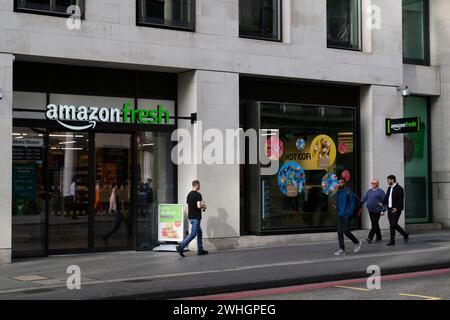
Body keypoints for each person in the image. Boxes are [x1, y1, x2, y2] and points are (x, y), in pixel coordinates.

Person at [176, 180, 208, 257]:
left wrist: (188, 217)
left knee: (199, 233)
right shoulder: (198, 195)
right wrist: (204, 206)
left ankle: (200, 250)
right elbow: (198, 206)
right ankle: (181, 247)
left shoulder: (189, 195)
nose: (200, 186)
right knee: (193, 234)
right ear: (196, 185)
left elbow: (188, 207)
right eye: (199, 185)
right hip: (196, 217)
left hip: (191, 217)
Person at [334, 179, 362, 256]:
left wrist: (348, 214)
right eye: (338, 183)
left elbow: (352, 204)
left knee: (346, 232)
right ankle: (342, 249)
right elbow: (337, 203)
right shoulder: (338, 192)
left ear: (345, 183)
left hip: (346, 215)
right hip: (339, 215)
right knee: (339, 233)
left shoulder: (349, 191)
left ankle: (357, 242)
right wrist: (336, 206)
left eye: (341, 182)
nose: (340, 184)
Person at [381, 175, 409, 246]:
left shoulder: (399, 188)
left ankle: (392, 241)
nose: (387, 181)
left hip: (396, 209)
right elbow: (387, 197)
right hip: (389, 209)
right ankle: (405, 234)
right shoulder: (389, 188)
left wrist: (396, 208)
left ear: (392, 180)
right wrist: (382, 203)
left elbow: (400, 199)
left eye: (388, 180)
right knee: (393, 225)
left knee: (393, 224)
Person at [361, 179, 386, 244]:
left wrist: (383, 210)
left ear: (377, 184)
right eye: (372, 183)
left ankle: (370, 237)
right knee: (375, 223)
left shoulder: (381, 192)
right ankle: (379, 237)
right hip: (370, 210)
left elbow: (384, 202)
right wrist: (358, 203)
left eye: (374, 183)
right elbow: (364, 199)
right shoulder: (369, 191)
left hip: (377, 211)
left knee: (374, 224)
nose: (372, 184)